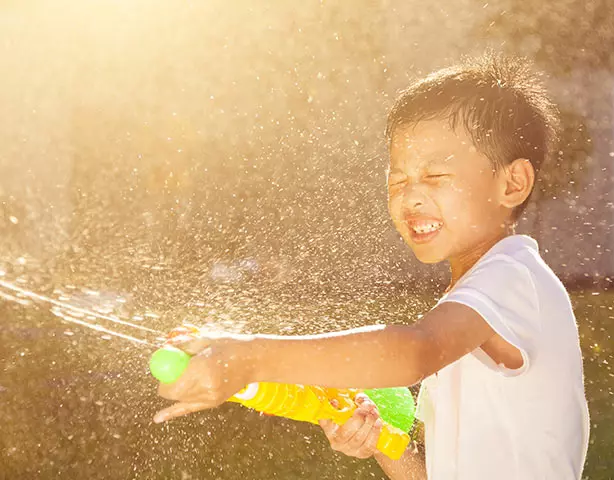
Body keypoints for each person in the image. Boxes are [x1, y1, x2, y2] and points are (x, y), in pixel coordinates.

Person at [153, 51, 590, 479]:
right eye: (397, 180)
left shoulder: (514, 279)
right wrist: (385, 442)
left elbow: (414, 351)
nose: (411, 196)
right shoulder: (469, 309)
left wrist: (248, 358)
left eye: (436, 177)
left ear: (513, 183)